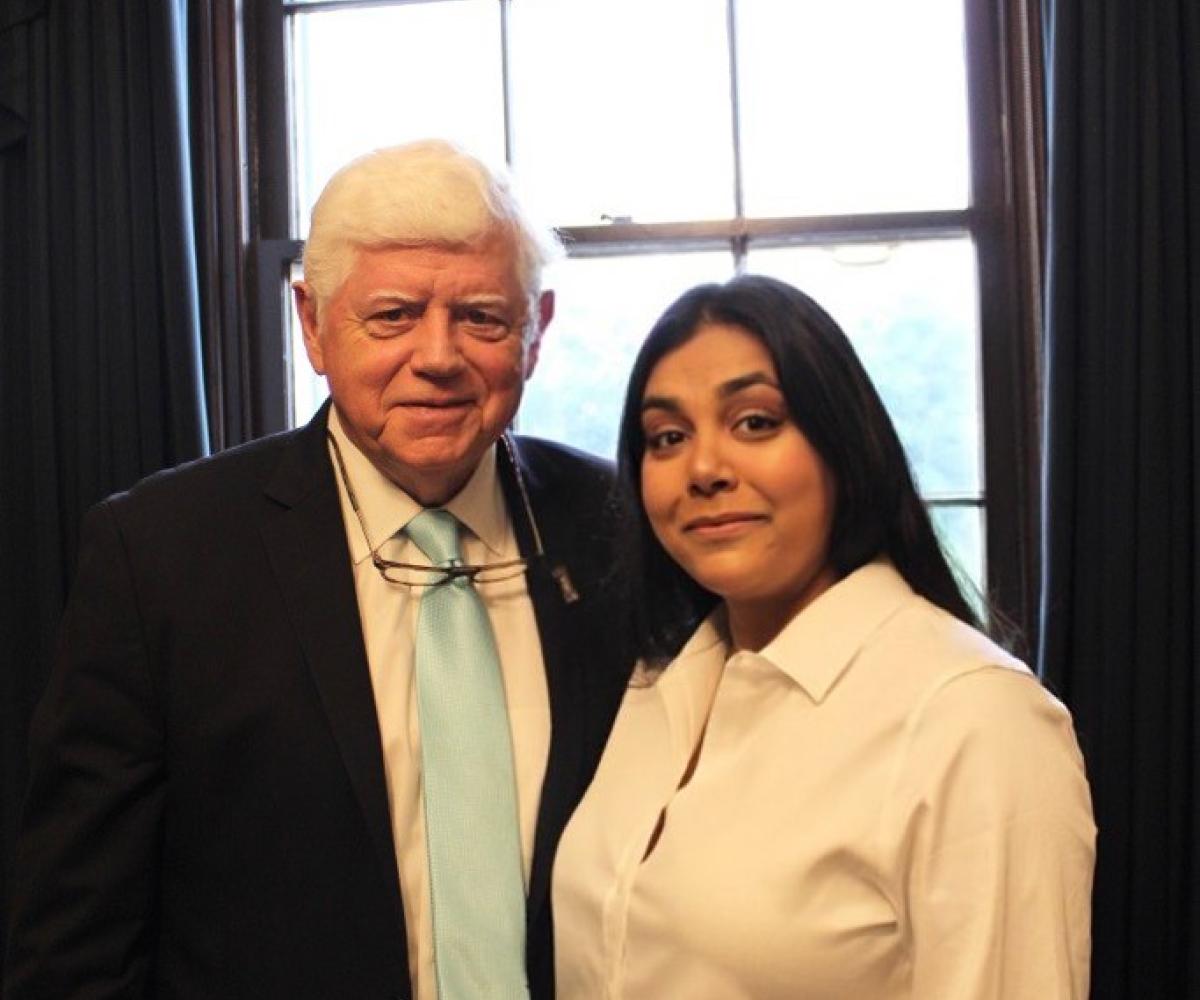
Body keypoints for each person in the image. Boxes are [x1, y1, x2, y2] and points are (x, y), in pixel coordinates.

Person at [5, 140, 633, 1000]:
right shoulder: (161, 556)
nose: (439, 356)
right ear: (312, 324)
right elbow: (76, 942)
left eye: (483, 316)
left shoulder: (620, 533)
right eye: (392, 316)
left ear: (536, 331)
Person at [553, 275, 1096, 999]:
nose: (706, 469)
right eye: (668, 437)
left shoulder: (971, 718)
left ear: (842, 443)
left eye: (755, 422)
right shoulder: (658, 684)